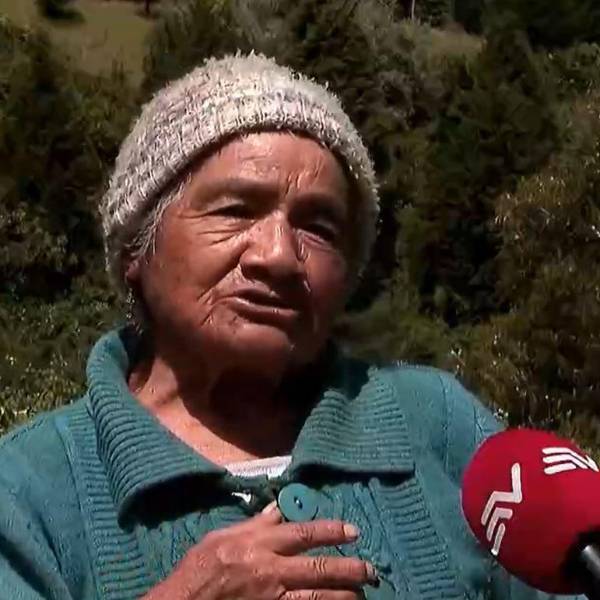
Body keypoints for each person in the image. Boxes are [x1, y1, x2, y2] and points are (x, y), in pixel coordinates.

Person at [0, 53, 582, 600]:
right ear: (136, 247)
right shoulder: (28, 488)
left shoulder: (439, 425)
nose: (279, 255)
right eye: (235, 210)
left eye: (319, 227)